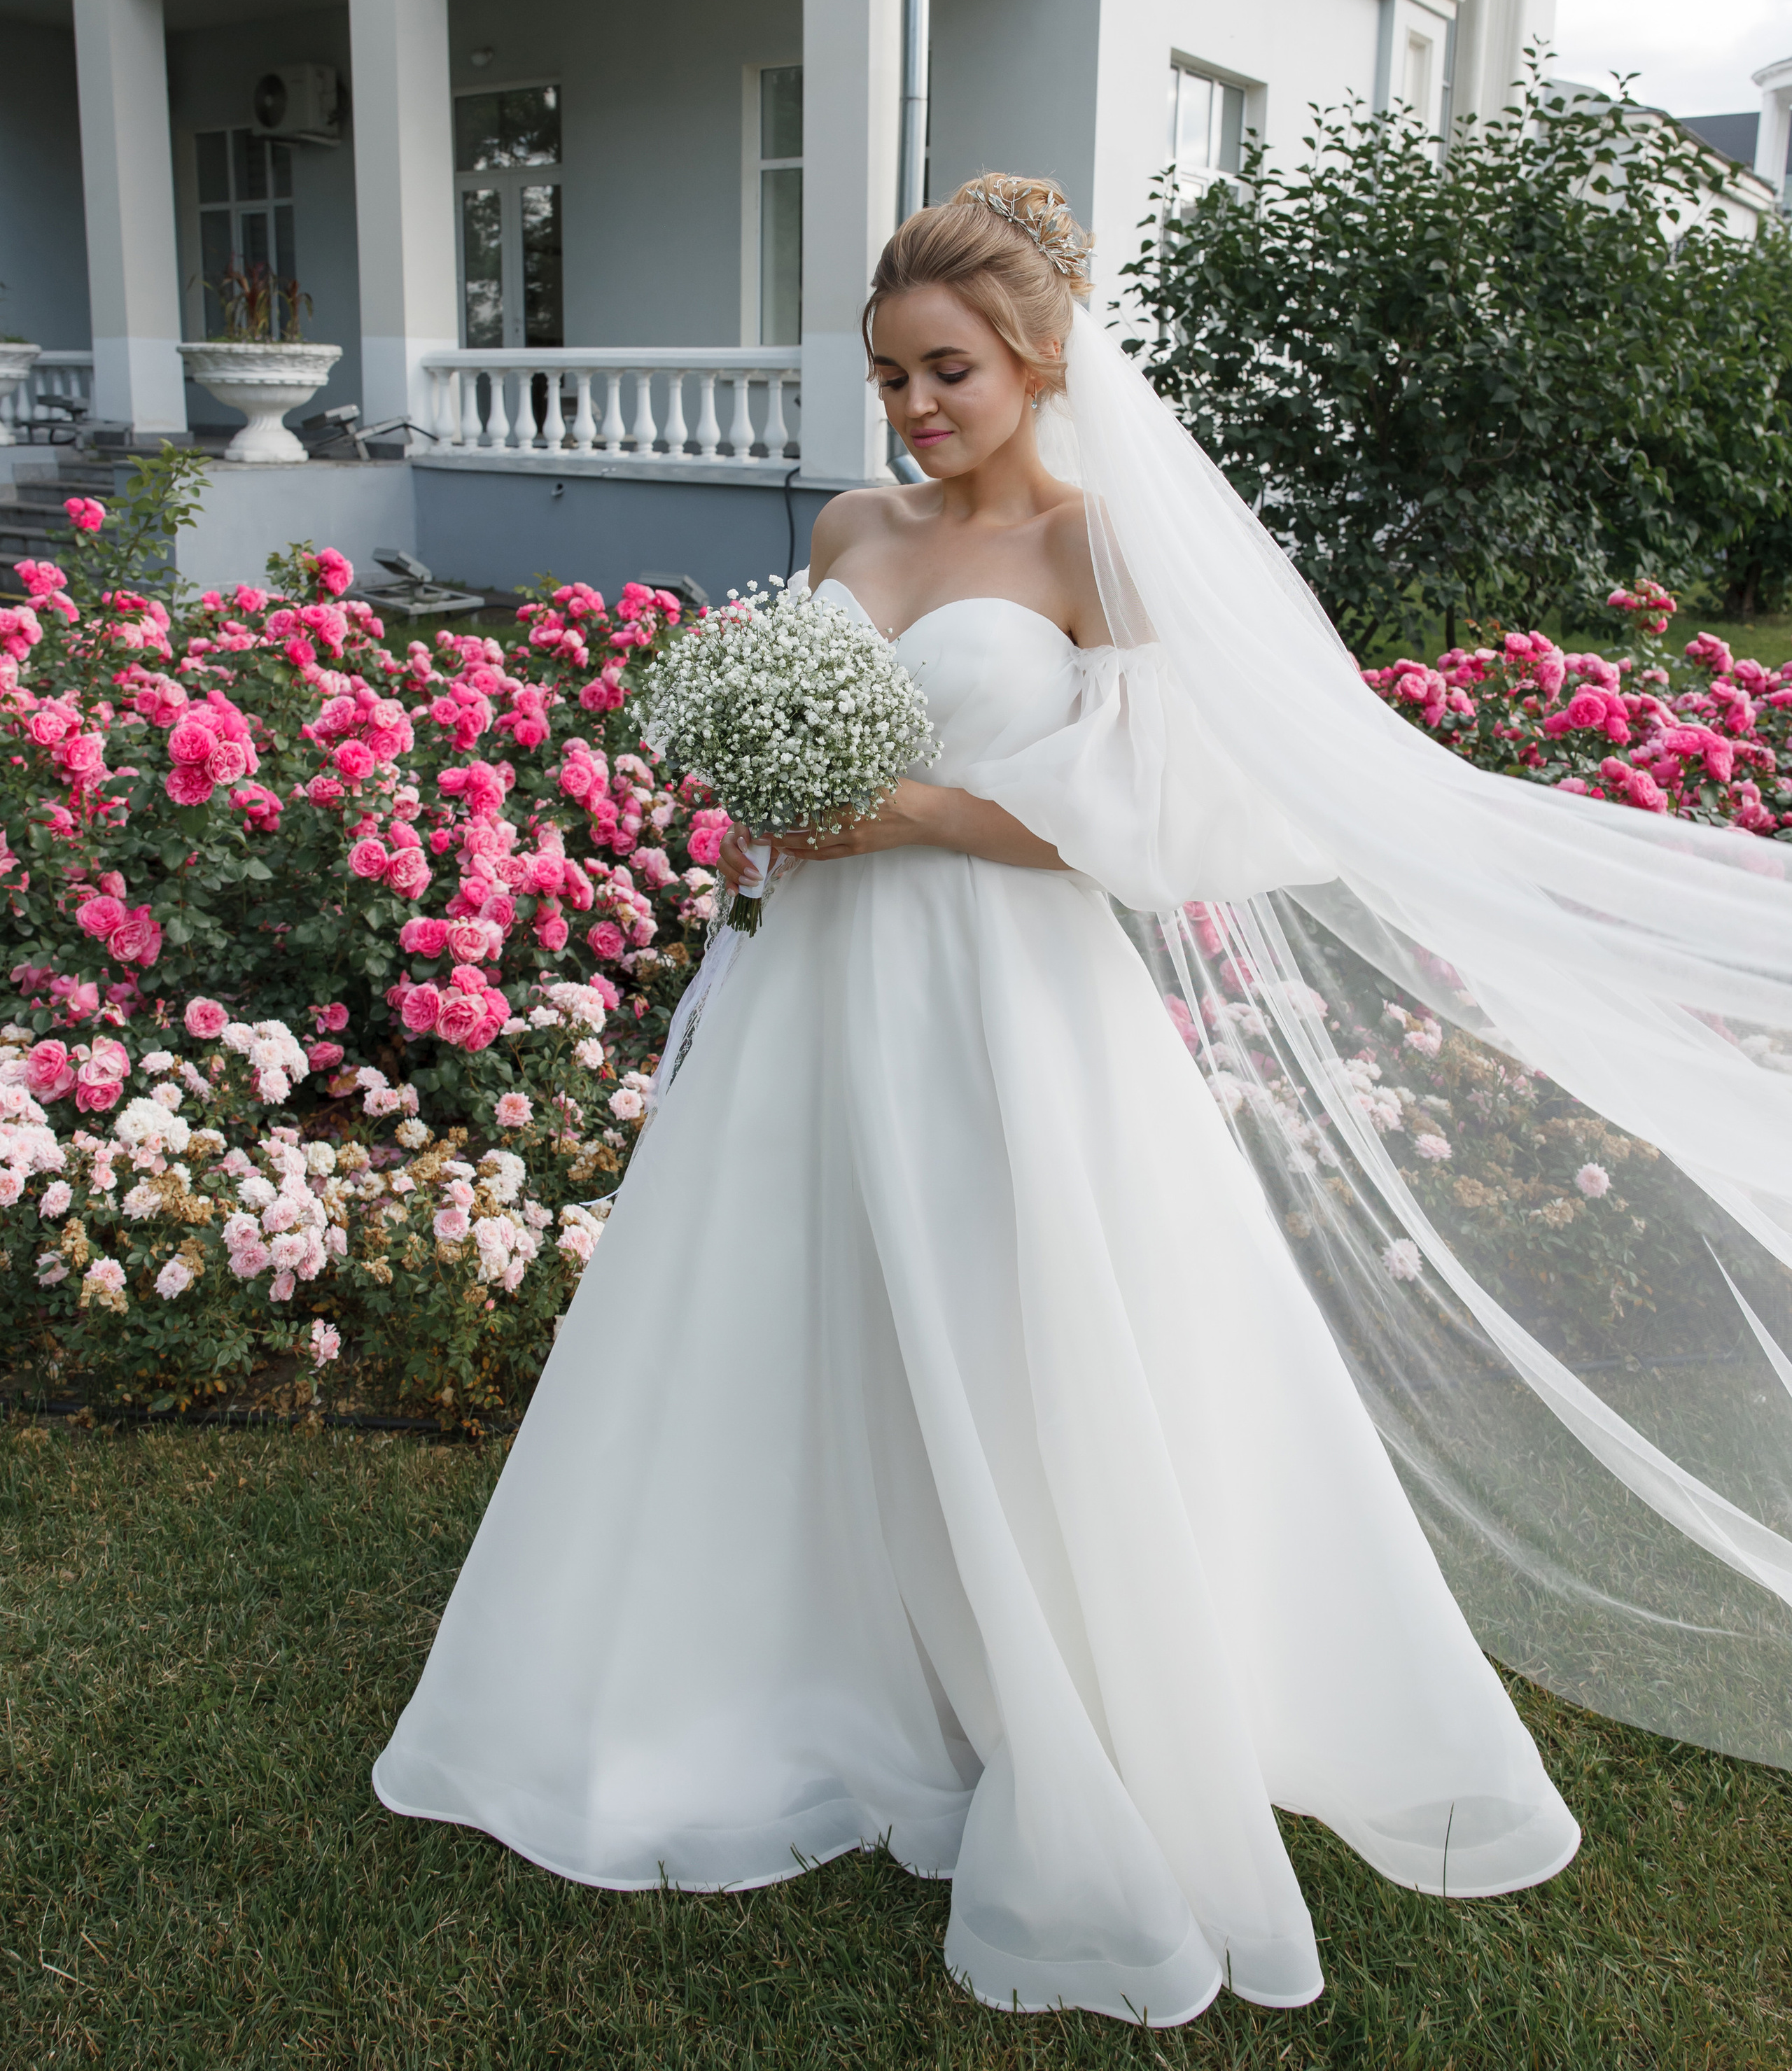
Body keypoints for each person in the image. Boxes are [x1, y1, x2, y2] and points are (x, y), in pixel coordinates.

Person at [377, 174, 1792, 2020]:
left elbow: (1170, 825)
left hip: (1005, 1003)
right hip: (818, 983)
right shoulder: (844, 528)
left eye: (946, 369)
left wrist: (907, 810)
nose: (915, 408)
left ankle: (1074, 1687)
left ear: (1038, 359)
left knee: (1021, 1333)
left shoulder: (1089, 554)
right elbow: (805, 738)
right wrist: (763, 815)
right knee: (792, 1325)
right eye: (889, 375)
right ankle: (767, 1666)